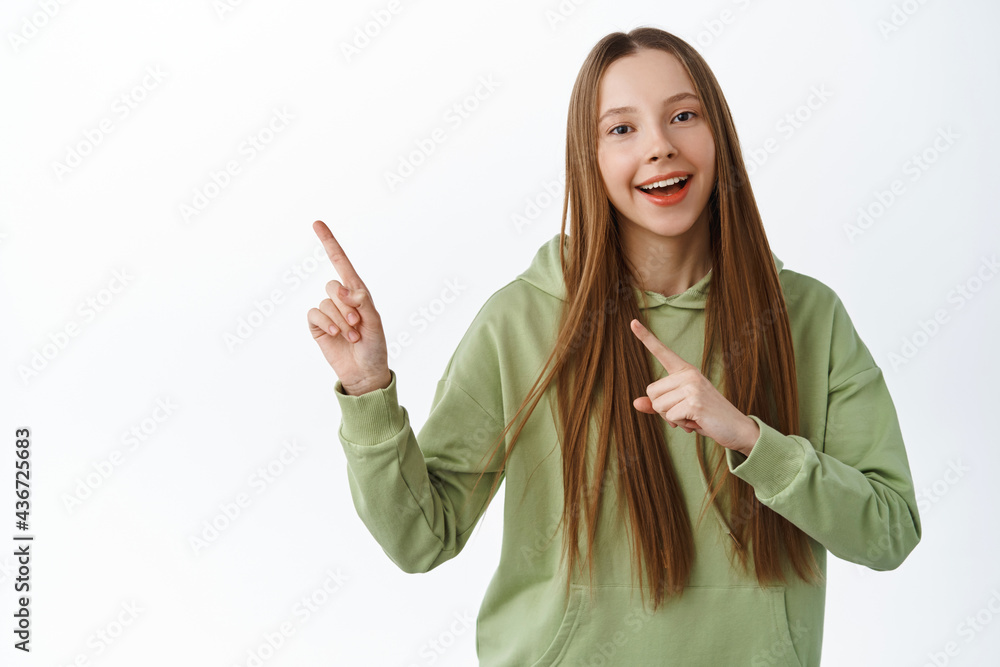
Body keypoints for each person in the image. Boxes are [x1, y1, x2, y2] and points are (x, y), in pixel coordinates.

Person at [307, 26, 921, 667]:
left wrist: (749, 438)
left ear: (721, 139)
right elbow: (420, 540)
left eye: (684, 116)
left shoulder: (807, 316)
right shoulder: (521, 321)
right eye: (622, 129)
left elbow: (889, 533)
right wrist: (368, 391)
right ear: (588, 158)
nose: (660, 147)